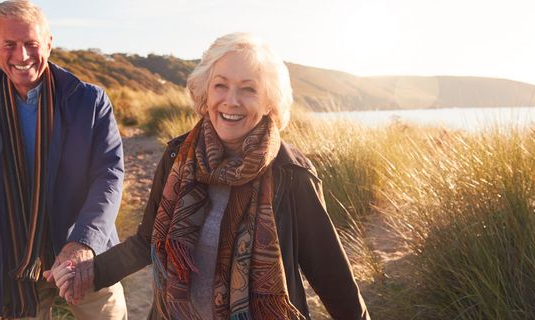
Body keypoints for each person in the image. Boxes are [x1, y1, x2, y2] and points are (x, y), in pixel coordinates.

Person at [49, 32, 370, 319]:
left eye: (248, 89)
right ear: (204, 92)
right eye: (221, 85)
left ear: (269, 101)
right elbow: (147, 240)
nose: (231, 100)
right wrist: (89, 272)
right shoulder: (178, 156)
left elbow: (330, 274)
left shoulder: (291, 172)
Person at [0, 1, 127, 318]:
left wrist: (84, 242)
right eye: (10, 45)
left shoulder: (89, 101)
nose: (22, 56)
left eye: (31, 44)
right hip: (11, 265)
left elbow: (109, 177)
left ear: (50, 43)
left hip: (84, 255)